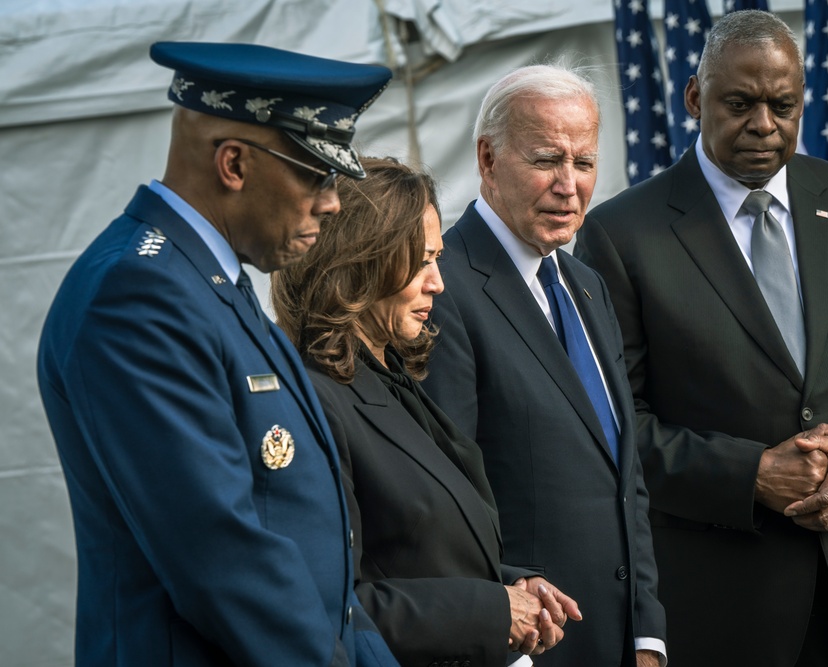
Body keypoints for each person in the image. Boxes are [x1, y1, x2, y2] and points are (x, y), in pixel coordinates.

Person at [573, 10, 828, 667]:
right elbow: (613, 430)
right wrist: (750, 474)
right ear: (695, 97)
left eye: (783, 105)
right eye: (740, 103)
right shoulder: (620, 236)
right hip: (725, 620)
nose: (763, 124)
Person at [36, 41, 400, 667]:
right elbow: (224, 559)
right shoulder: (138, 294)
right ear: (234, 163)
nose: (333, 202)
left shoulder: (208, 281)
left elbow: (319, 561)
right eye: (315, 174)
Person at [271, 156, 582, 667]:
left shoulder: (389, 375)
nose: (438, 282)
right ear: (357, 262)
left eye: (436, 259)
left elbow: (416, 550)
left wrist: (511, 587)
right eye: (420, 262)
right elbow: (326, 605)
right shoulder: (314, 400)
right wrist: (489, 611)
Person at [420, 64, 667, 667]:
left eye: (583, 163)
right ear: (486, 159)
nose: (568, 185)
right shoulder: (440, 288)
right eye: (546, 160)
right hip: (525, 645)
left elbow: (623, 474)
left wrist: (647, 635)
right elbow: (444, 496)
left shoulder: (586, 284)